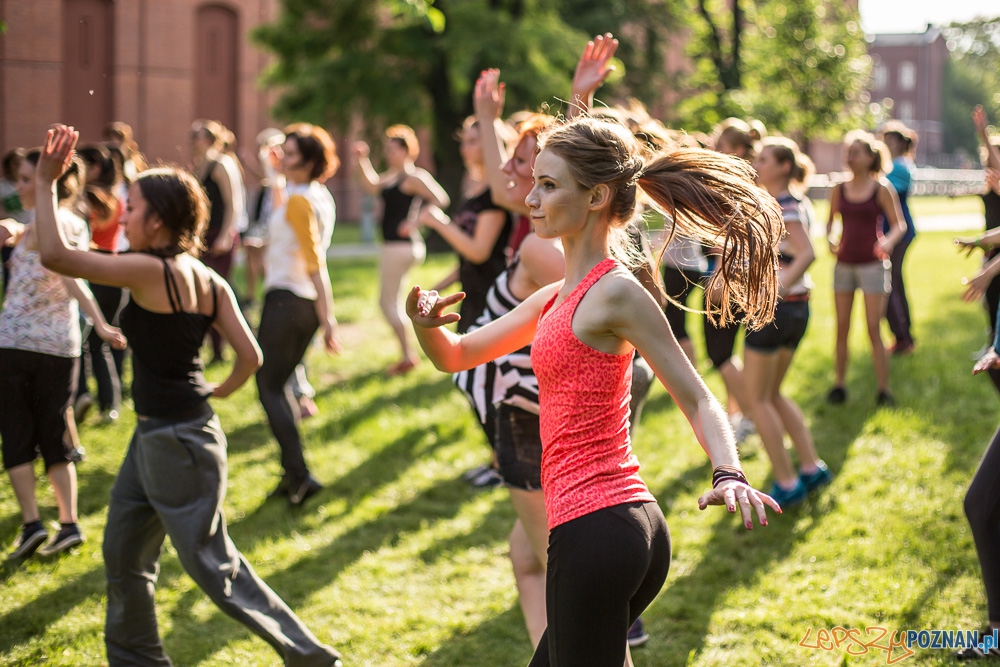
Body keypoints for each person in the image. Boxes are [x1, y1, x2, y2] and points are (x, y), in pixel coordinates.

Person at [407, 115, 782, 667]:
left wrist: (729, 471)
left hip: (600, 532)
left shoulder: (617, 293)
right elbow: (458, 355)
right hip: (602, 531)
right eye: (535, 181)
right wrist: (425, 325)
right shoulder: (558, 295)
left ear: (597, 196)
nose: (531, 197)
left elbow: (698, 395)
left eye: (549, 185)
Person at [33, 125, 342, 667]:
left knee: (213, 567)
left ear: (157, 220)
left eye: (132, 209)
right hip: (163, 434)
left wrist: (42, 183)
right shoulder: (205, 277)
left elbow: (57, 257)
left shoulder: (148, 269)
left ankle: (311, 656)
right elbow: (251, 356)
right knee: (124, 555)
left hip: (175, 441)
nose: (124, 216)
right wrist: (218, 391)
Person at [1, 146, 125, 560]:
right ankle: (66, 524)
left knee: (18, 434)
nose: (18, 186)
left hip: (19, 344)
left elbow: (70, 276)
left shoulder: (47, 225)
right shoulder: (66, 222)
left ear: (46, 179)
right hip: (58, 345)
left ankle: (35, 523)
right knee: (54, 433)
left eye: (24, 178)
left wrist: (102, 322)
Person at [256, 123, 341, 506]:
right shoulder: (316, 195)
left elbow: (314, 260)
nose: (283, 159)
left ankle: (301, 475)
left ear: (307, 163)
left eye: (291, 155)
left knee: (269, 387)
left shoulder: (299, 201)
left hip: (288, 301)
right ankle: (293, 475)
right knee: (279, 385)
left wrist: (330, 317)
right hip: (299, 303)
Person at [745, 136, 829, 507]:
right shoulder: (790, 202)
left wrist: (772, 291)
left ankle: (786, 481)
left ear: (783, 167)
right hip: (797, 310)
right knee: (773, 394)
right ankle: (811, 468)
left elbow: (808, 254)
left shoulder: (785, 206)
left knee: (756, 398)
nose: (757, 164)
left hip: (779, 310)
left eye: (764, 159)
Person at [352, 125, 450, 375]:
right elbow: (372, 185)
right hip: (394, 247)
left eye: (393, 149)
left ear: (407, 151)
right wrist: (362, 160)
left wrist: (415, 221)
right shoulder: (391, 176)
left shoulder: (414, 177)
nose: (389, 154)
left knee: (387, 304)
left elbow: (441, 199)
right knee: (393, 302)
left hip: (401, 246)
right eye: (387, 150)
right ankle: (409, 353)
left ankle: (408, 355)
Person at [825, 130, 907, 406]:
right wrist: (830, 238)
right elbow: (829, 222)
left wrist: (888, 241)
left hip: (873, 266)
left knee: (874, 328)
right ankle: (839, 385)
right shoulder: (839, 188)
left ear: (870, 157)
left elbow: (899, 225)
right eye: (848, 152)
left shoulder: (881, 188)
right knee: (842, 327)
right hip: (844, 265)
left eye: (856, 153)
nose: (850, 158)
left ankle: (884, 390)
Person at [190, 118, 239, 365]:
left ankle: (224, 349)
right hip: (204, 236)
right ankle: (212, 349)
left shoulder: (222, 164)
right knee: (202, 292)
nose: (192, 141)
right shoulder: (200, 166)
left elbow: (233, 204)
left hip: (220, 234)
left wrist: (226, 235)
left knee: (218, 293)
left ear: (209, 139)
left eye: (196, 136)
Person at [879, 120, 918, 356]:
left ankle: (902, 336)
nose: (885, 144)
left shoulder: (899, 167)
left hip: (897, 233)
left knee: (889, 283)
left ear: (898, 143)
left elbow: (879, 188)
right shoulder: (895, 165)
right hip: (892, 232)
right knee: (895, 282)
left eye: (889, 140)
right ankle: (905, 334)